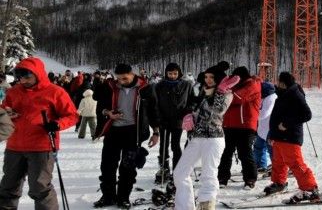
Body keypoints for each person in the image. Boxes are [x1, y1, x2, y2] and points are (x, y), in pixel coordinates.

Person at [0, 57, 78, 210]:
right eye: (20, 77)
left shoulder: (55, 92)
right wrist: (7, 112)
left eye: (27, 76)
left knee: (39, 188)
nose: (23, 80)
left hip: (41, 147)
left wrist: (57, 124)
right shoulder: (13, 92)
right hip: (14, 146)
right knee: (8, 187)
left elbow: (72, 115)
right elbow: (4, 109)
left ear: (38, 73)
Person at [93, 63, 160, 209]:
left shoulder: (146, 88)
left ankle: (123, 198)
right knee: (107, 166)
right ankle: (108, 196)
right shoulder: (110, 87)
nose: (121, 82)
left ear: (132, 74)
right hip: (113, 131)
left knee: (128, 168)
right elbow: (100, 107)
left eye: (124, 78)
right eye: (118, 79)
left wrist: (155, 132)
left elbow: (153, 112)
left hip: (133, 133)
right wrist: (108, 113)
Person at [173, 64, 239, 210]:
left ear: (219, 79)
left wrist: (220, 91)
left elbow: (218, 110)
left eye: (212, 77)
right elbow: (197, 109)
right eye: (206, 77)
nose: (208, 80)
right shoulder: (202, 91)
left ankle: (206, 205)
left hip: (213, 139)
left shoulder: (226, 93)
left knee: (208, 174)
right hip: (196, 138)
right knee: (180, 173)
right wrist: (189, 115)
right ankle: (184, 206)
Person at [264, 72, 322, 203]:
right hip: (279, 137)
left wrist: (286, 123)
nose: (277, 84)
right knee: (278, 161)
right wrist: (273, 134)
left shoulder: (295, 95)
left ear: (283, 83)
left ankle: (310, 189)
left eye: (279, 81)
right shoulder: (283, 93)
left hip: (290, 137)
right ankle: (279, 183)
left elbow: (307, 115)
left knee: (296, 164)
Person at [218, 66, 262, 189]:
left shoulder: (253, 85)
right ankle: (222, 177)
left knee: (245, 152)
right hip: (229, 124)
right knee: (226, 152)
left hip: (246, 125)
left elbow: (237, 98)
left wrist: (225, 90)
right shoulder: (235, 86)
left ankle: (250, 179)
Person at [154, 63, 194, 184]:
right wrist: (159, 117)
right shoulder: (160, 85)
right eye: (170, 73)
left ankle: (178, 169)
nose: (172, 76)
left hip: (178, 119)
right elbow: (155, 103)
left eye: (175, 73)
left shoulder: (186, 85)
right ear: (166, 73)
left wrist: (188, 112)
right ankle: (163, 167)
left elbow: (191, 100)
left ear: (179, 73)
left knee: (175, 145)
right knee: (163, 145)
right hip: (164, 120)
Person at [253, 82, 277, 172]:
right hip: (262, 128)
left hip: (269, 128)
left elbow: (264, 114)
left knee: (272, 149)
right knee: (258, 147)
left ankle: (276, 168)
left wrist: (253, 114)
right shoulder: (264, 97)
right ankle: (260, 164)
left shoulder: (271, 98)